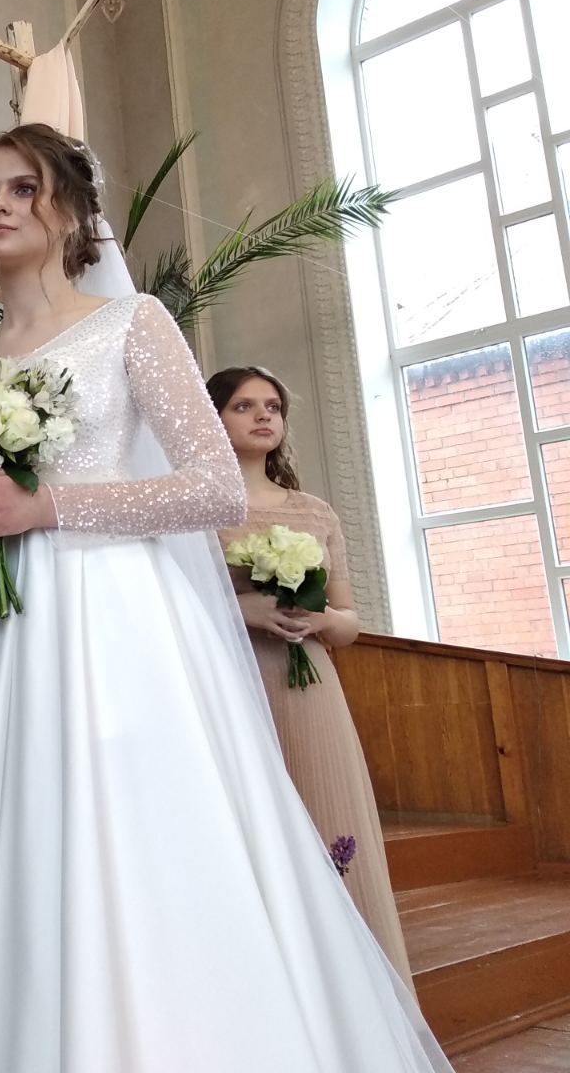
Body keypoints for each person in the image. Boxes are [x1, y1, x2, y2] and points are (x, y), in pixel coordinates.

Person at [0, 123, 450, 1071]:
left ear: (71, 211)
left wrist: (47, 506)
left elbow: (215, 489)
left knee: (113, 839)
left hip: (104, 625)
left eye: (22, 188)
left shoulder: (132, 323)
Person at [210, 364, 414, 987]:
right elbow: (167, 606)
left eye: (272, 406)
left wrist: (317, 616)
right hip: (228, 677)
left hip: (309, 684)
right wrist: (244, 609)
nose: (263, 415)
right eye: (243, 406)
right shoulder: (199, 509)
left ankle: (345, 981)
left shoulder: (315, 512)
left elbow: (350, 622)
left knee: (324, 809)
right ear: (211, 417)